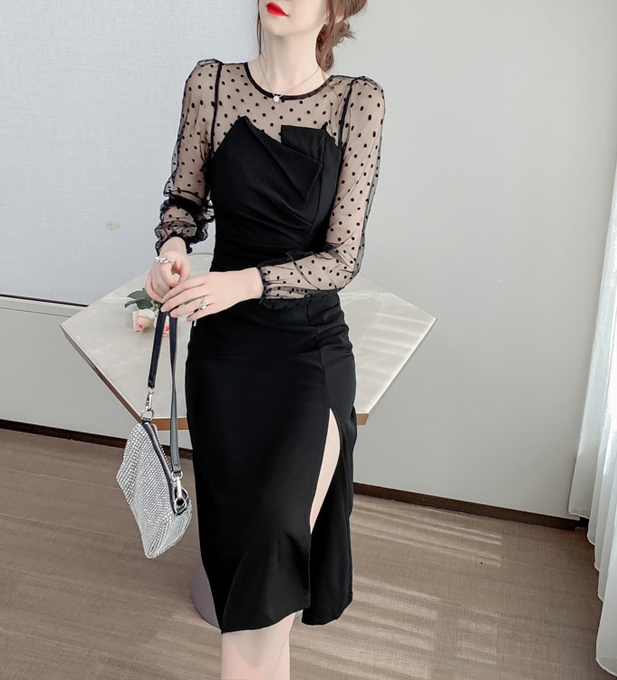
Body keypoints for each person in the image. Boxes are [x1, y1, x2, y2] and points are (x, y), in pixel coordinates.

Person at [145, 1, 384, 678]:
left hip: (308, 352)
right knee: (249, 571)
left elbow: (342, 258)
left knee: (274, 548)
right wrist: (171, 252)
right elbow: (184, 201)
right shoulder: (211, 84)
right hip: (224, 360)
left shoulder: (357, 102)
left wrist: (244, 282)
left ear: (334, 9)